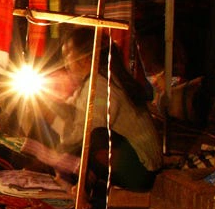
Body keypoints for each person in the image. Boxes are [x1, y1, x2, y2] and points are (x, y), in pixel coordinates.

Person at [50, 27, 162, 192]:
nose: (65, 62)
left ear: (85, 56)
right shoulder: (97, 79)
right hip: (138, 165)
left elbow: (84, 134)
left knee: (94, 138)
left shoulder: (100, 84)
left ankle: (83, 184)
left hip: (142, 172)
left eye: (68, 54)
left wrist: (51, 120)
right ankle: (80, 181)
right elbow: (74, 112)